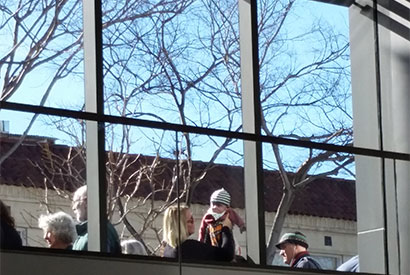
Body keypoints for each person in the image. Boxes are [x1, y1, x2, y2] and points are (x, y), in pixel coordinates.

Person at [162, 204, 235, 261]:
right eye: (190, 221)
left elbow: (208, 253)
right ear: (180, 225)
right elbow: (227, 255)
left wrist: (208, 232)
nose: (194, 223)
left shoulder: (168, 249)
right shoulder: (189, 247)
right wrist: (226, 228)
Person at [71, 185, 121, 253]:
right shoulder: (91, 231)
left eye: (75, 202)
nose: (73, 207)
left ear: (86, 202)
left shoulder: (98, 232)